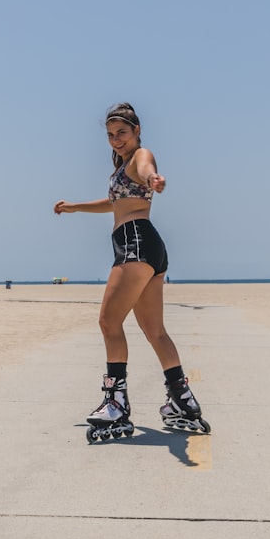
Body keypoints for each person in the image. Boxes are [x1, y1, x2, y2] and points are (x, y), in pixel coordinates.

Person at [54, 102, 209, 442]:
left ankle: (116, 403)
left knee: (109, 322)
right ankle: (182, 402)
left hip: (135, 243)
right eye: (110, 135)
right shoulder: (123, 168)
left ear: (137, 131)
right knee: (155, 330)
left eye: (122, 132)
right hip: (150, 246)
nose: (116, 139)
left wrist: (155, 178)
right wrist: (75, 206)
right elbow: (114, 203)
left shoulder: (141, 157)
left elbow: (148, 166)